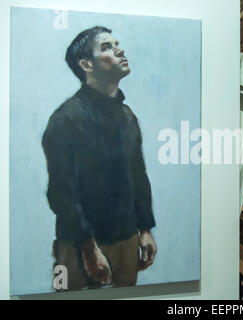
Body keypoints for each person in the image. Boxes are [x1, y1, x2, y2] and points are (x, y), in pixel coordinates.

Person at [42, 26, 157, 290]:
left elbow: (138, 177)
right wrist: (88, 248)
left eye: (117, 43)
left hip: (127, 241)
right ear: (86, 64)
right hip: (77, 247)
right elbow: (61, 193)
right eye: (107, 46)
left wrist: (145, 229)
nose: (120, 49)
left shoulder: (127, 116)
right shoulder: (65, 119)